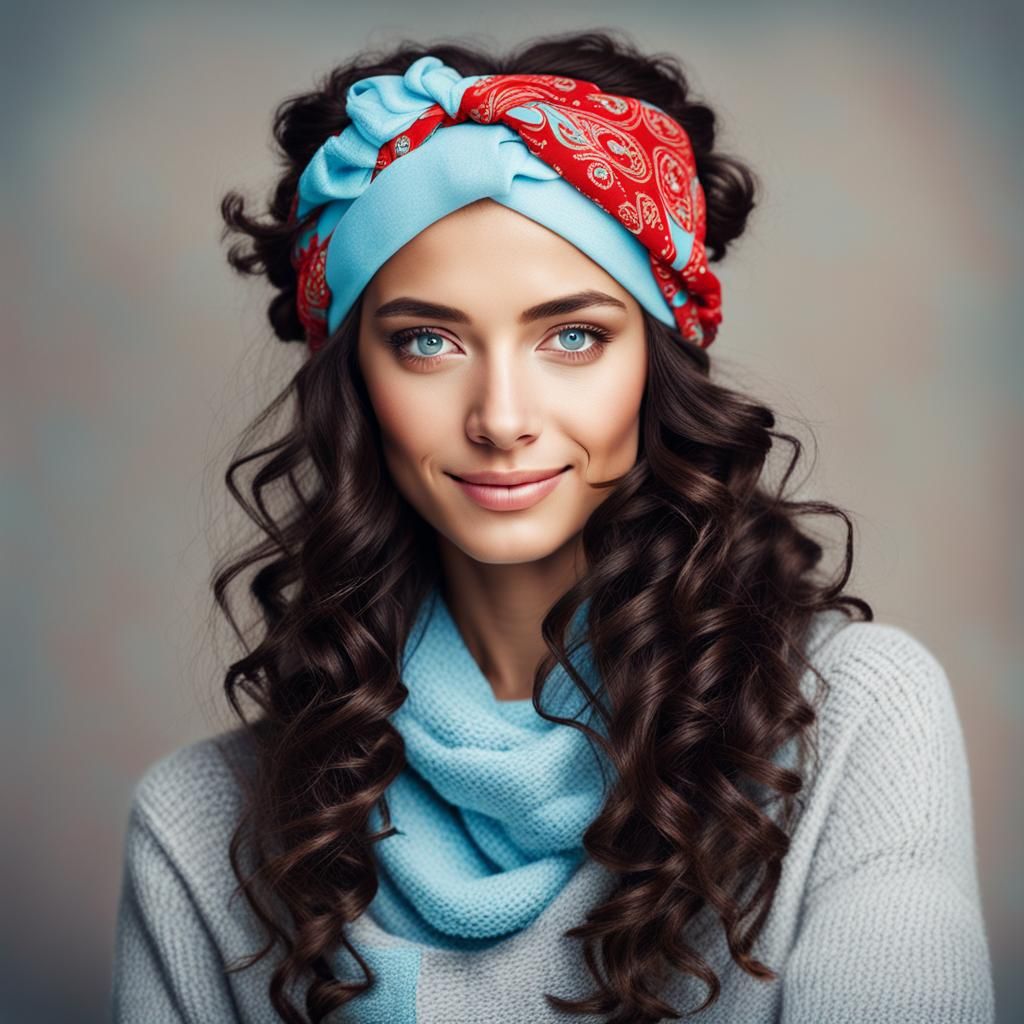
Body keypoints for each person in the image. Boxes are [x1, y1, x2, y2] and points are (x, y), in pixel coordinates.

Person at [109, 30, 995, 1024]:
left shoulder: (851, 724)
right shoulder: (197, 829)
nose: (501, 416)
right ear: (354, 378)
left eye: (572, 336)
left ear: (657, 364)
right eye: (428, 341)